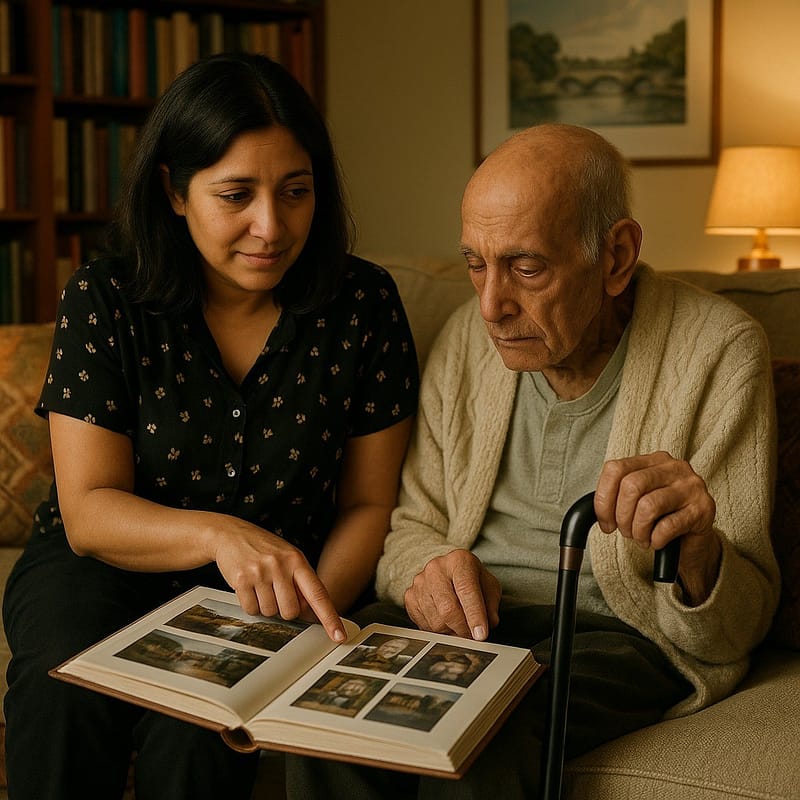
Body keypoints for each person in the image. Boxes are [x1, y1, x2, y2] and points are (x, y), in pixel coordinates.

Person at [285, 123, 781, 798]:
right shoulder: (465, 340)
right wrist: (428, 574)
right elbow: (409, 527)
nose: (491, 306)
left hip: (617, 633)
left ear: (615, 256)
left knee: (479, 724)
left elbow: (736, 627)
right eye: (475, 263)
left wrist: (697, 551)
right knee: (329, 703)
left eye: (526, 267)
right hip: (476, 623)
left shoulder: (719, 350)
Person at [2, 52, 419, 800]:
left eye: (296, 192)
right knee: (63, 686)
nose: (271, 226)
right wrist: (219, 534)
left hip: (272, 594)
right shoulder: (106, 297)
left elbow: (368, 504)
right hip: (102, 569)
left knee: (197, 733)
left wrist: (307, 616)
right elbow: (91, 512)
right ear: (174, 191)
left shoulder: (362, 304)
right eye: (236, 195)